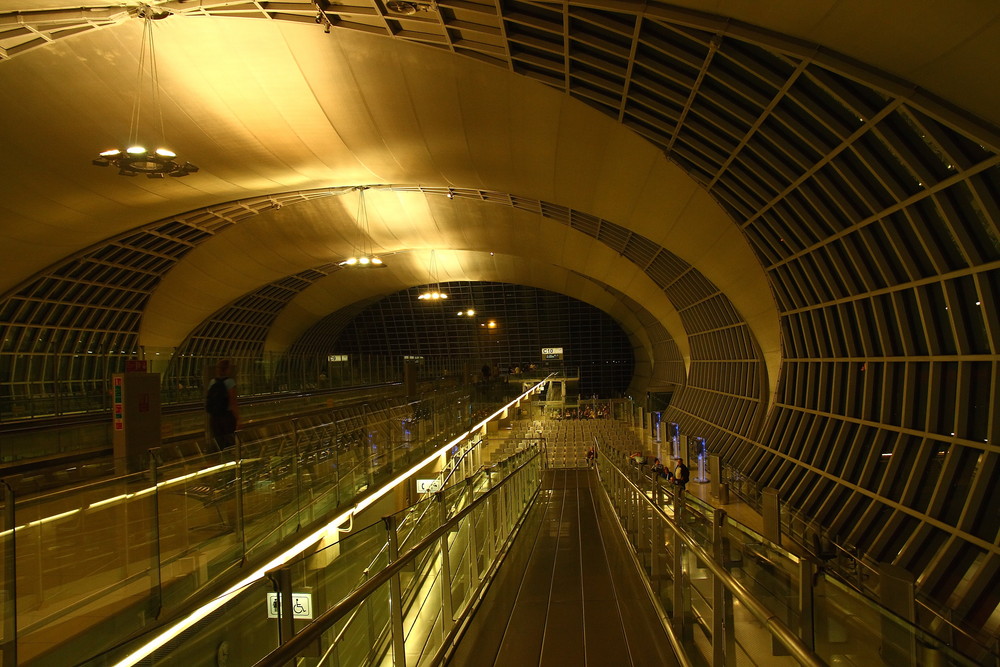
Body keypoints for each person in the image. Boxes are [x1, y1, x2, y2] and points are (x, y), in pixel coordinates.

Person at [206, 359, 240, 450]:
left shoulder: (212, 382)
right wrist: (237, 418)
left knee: (218, 440)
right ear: (228, 369)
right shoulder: (230, 382)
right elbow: (233, 402)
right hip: (227, 416)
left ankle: (219, 458)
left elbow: (208, 398)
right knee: (229, 441)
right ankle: (229, 460)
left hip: (214, 417)